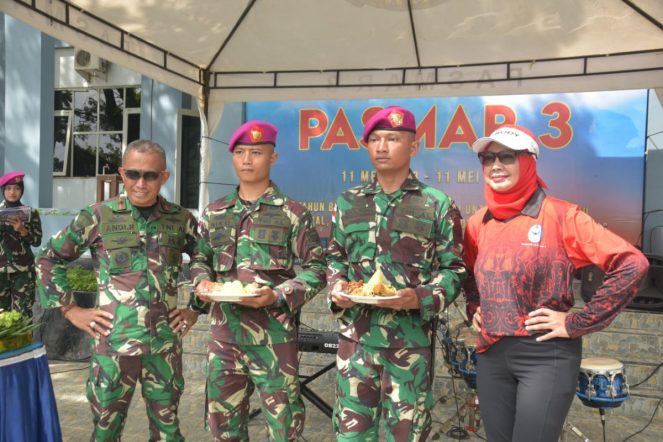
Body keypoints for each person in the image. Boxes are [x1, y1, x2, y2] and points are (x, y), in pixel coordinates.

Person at [463, 124, 649, 442]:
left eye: (506, 156)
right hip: (491, 355)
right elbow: (466, 271)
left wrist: (579, 322)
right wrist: (474, 306)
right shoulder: (478, 222)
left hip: (544, 356)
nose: (495, 165)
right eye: (487, 158)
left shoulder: (563, 216)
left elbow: (633, 264)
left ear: (529, 161)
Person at [36, 140, 200, 441]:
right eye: (133, 174)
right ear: (122, 173)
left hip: (163, 347)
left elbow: (207, 260)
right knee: (105, 431)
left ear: (164, 176)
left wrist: (194, 308)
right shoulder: (98, 216)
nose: (141, 183)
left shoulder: (181, 219)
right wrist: (70, 309)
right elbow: (49, 258)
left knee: (168, 432)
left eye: (150, 175)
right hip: (113, 346)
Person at [326, 106, 468, 441]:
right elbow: (334, 258)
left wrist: (418, 298)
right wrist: (337, 287)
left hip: (410, 347)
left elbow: (454, 269)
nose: (382, 147)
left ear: (413, 147)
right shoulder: (348, 202)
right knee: (351, 436)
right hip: (356, 344)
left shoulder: (437, 204)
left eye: (392, 139)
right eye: (375, 139)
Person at [190, 120, 327, 441]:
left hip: (274, 340)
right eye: (240, 152)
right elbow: (199, 259)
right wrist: (201, 283)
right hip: (224, 339)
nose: (247, 160)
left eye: (256, 152)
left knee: (282, 428)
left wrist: (278, 295)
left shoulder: (292, 212)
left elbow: (318, 268)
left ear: (272, 158)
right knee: (224, 429)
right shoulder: (215, 212)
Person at [0, 171, 42, 318]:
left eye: (17, 188)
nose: (12, 192)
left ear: (22, 191)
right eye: (8, 188)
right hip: (0, 270)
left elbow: (37, 241)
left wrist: (23, 230)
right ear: (3, 190)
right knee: (1, 314)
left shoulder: (31, 213)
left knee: (23, 314)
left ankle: (23, 336)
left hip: (23, 271)